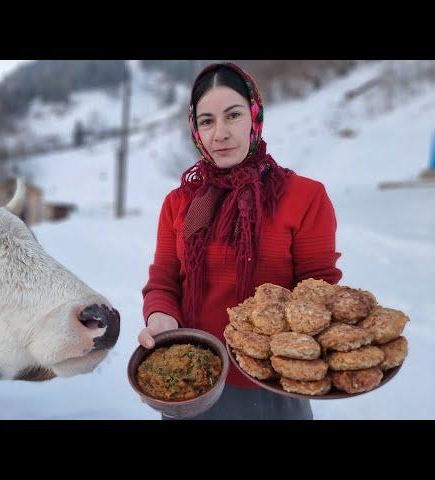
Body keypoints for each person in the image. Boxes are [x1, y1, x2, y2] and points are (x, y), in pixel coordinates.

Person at [139, 62, 342, 420]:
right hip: (194, 382)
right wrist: (160, 318)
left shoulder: (305, 197)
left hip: (275, 386)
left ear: (254, 116)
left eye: (232, 115)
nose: (220, 133)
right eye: (207, 121)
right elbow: (163, 282)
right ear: (195, 130)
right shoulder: (180, 203)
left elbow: (319, 292)